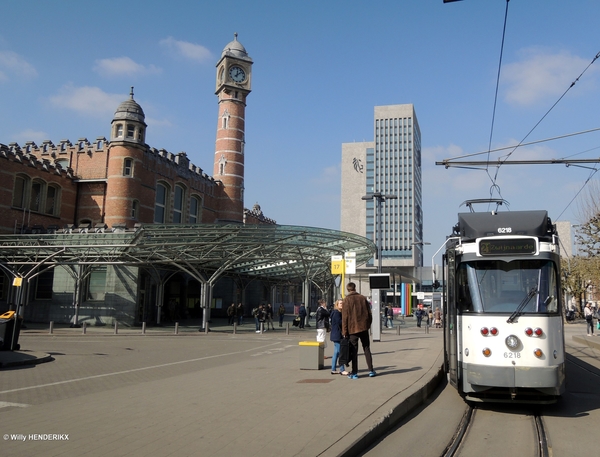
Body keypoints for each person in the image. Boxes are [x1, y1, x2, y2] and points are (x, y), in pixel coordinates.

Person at [342, 282, 376, 379]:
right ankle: (371, 370)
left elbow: (345, 318)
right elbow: (369, 314)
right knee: (366, 348)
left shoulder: (346, 300)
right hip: (363, 328)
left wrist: (345, 332)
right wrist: (367, 325)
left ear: (348, 289)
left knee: (354, 351)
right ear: (355, 288)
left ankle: (355, 372)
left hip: (352, 329)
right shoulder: (362, 298)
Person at [330, 299, 347, 375]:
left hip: (336, 334)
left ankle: (333, 369)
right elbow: (339, 322)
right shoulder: (337, 313)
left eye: (342, 303)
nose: (342, 305)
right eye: (340, 303)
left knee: (336, 353)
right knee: (340, 352)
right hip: (337, 335)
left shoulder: (336, 313)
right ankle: (342, 369)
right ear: (337, 305)